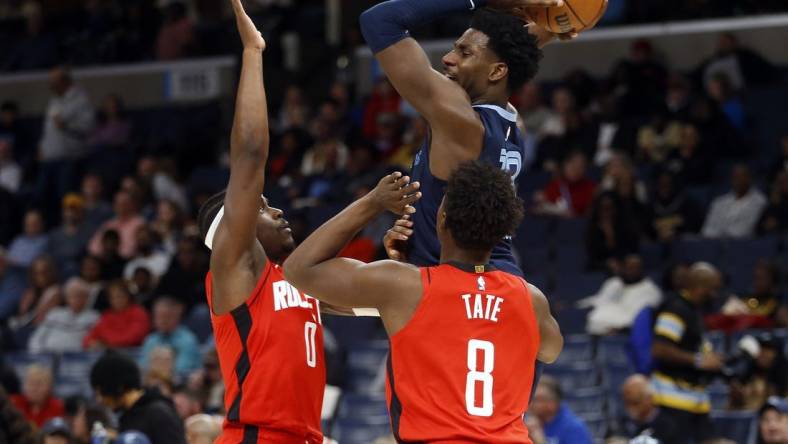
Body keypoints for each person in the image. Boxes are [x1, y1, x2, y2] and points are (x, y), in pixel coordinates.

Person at [284, 161, 564, 442]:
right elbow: (550, 351)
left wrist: (373, 201)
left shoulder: (405, 286)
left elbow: (300, 269)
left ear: (441, 220)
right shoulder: (531, 298)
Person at [195, 1, 328, 441]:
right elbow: (250, 154)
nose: (277, 212)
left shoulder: (293, 279)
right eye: (263, 208)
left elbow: (369, 300)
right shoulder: (235, 268)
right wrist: (253, 52)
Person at [361, 0, 571, 276]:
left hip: (457, 288)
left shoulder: (459, 119)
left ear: (497, 71)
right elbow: (510, 54)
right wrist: (555, 26)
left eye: (464, 52)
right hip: (499, 280)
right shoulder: (512, 121)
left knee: (309, 277)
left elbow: (379, 21)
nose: (448, 58)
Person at [651, 262, 724, 443]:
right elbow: (659, 349)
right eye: (713, 289)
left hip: (696, 398)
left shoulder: (693, 311)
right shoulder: (675, 309)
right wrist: (698, 360)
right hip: (673, 400)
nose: (715, 295)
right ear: (699, 287)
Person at [90, 352, 186, 444]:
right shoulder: (127, 417)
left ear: (118, 387)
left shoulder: (159, 414)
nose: (100, 399)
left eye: (101, 392)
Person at [580, 255, 662, 335]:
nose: (631, 271)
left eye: (635, 268)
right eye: (628, 268)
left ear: (642, 270)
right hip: (597, 329)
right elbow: (599, 299)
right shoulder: (613, 283)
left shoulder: (651, 290)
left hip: (626, 332)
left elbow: (644, 318)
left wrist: (623, 329)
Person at [28, 277, 99, 353]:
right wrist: (39, 354)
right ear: (66, 298)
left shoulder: (95, 317)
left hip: (77, 358)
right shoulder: (54, 313)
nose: (76, 299)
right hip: (47, 355)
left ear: (87, 298)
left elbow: (93, 344)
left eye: (80, 295)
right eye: (72, 295)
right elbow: (36, 339)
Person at [702, 164, 768, 238]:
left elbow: (743, 230)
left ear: (749, 178)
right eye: (735, 177)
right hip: (714, 244)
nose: (738, 180)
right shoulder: (719, 202)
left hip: (742, 245)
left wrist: (721, 236)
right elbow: (707, 229)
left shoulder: (759, 201)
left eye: (742, 176)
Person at [612, 374, 681, 444]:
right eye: (627, 402)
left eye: (635, 402)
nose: (630, 408)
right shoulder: (622, 422)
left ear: (648, 398)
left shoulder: (669, 425)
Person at [83, 279, 150, 349]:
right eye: (113, 297)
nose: (116, 300)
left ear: (128, 296)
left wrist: (106, 344)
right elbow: (87, 339)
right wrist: (92, 343)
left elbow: (133, 338)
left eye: (120, 296)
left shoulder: (139, 313)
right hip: (110, 354)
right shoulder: (106, 316)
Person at [139, 297, 200, 375]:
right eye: (158, 316)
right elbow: (143, 366)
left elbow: (182, 369)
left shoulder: (188, 340)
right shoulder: (150, 340)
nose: (162, 320)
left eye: (166, 316)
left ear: (177, 316)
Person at [529, 375, 593, 444]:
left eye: (538, 400)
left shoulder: (573, 428)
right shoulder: (529, 423)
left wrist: (540, 441)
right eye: (531, 398)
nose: (531, 404)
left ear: (552, 403)